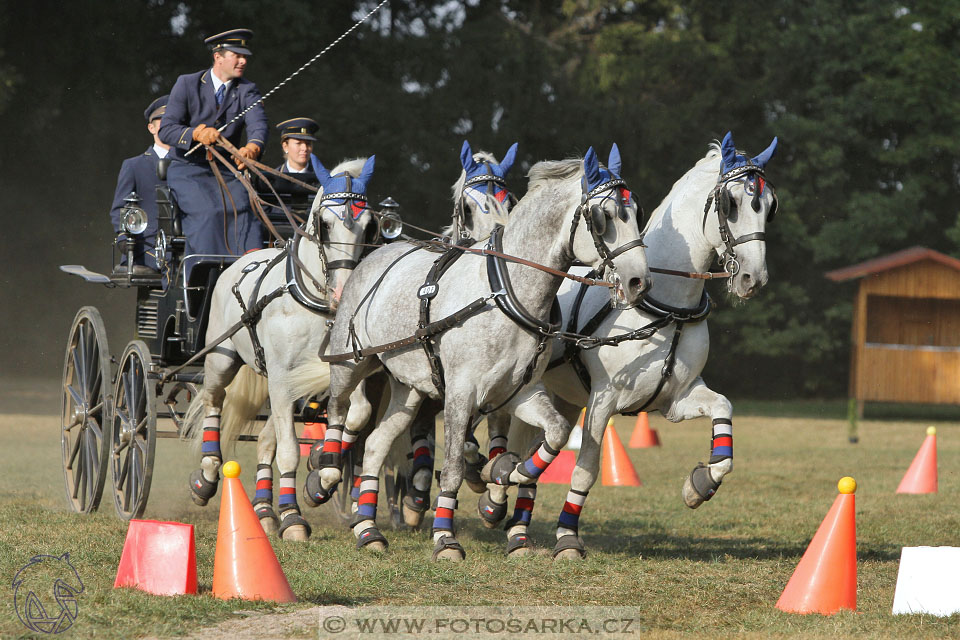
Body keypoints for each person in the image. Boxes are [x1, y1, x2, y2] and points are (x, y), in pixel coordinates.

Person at [158, 28, 268, 272]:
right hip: (188, 170)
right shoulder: (187, 84)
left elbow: (258, 125)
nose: (243, 61)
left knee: (245, 214)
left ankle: (252, 276)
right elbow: (167, 130)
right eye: (236, 55)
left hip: (227, 172)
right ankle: (201, 280)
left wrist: (252, 147)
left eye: (245, 56)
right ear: (218, 57)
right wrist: (196, 133)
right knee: (209, 213)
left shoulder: (247, 90)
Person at [109, 95, 170, 274]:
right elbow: (120, 208)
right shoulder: (134, 165)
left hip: (185, 246)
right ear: (151, 128)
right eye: (164, 121)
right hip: (146, 247)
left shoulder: (188, 165)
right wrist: (124, 237)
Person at [260, 117, 320, 239]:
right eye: (298, 143)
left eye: (308, 143)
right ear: (285, 146)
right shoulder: (269, 179)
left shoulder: (323, 179)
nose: (304, 148)